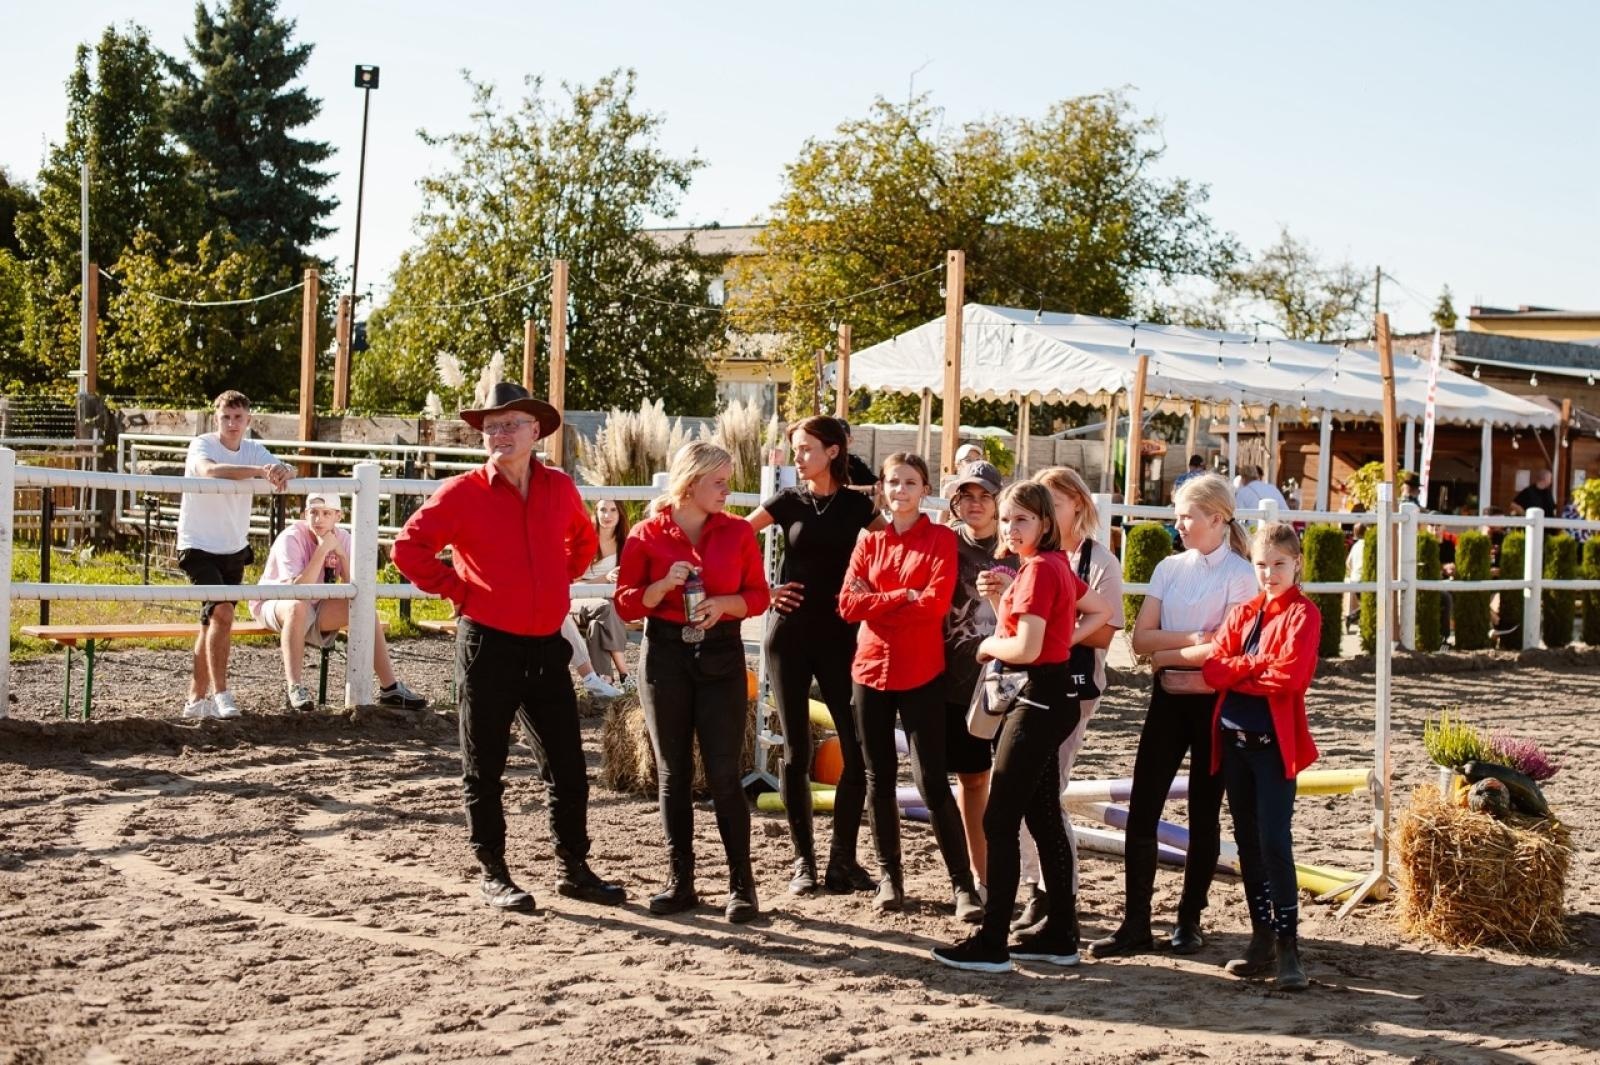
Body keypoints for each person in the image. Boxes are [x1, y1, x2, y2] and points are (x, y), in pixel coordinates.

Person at [392, 382, 625, 914]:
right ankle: (493, 873)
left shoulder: (559, 487)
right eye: (491, 427)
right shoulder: (461, 492)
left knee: (568, 766)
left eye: (510, 424)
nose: (499, 434)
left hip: (546, 645)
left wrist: (557, 579)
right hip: (488, 645)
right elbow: (408, 548)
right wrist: (458, 590)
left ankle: (574, 868)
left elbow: (583, 541)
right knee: (485, 764)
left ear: (535, 431)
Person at [931, 481, 1113, 973]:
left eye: (1022, 520)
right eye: (1008, 519)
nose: (1011, 528)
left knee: (1000, 820)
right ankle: (1061, 934)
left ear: (1045, 524)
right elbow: (1100, 610)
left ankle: (993, 942)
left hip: (1035, 698)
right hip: (1052, 695)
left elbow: (1025, 648)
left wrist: (987, 647)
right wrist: (1061, 638)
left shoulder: (1037, 570)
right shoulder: (1054, 565)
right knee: (1042, 814)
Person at [1090, 473, 1257, 959]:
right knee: (1144, 805)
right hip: (1167, 699)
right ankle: (1135, 922)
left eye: (1187, 516)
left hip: (1214, 704)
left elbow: (1225, 649)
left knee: (1204, 811)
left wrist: (1168, 652)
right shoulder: (1168, 567)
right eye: (1177, 515)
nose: (1178, 524)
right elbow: (1140, 640)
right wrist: (1192, 641)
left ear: (1217, 518)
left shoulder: (1240, 575)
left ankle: (1190, 918)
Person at [614, 441, 771, 922]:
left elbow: (758, 596)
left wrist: (723, 605)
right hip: (664, 655)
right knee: (673, 772)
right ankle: (679, 881)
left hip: (723, 655)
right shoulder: (646, 533)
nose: (728, 491)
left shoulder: (737, 532)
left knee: (724, 773)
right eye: (719, 482)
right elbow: (625, 602)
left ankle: (741, 885)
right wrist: (661, 587)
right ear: (690, 482)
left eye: (728, 481)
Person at [839, 453, 981, 921]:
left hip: (921, 672)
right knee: (878, 779)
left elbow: (935, 605)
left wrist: (878, 601)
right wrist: (902, 596)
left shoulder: (940, 540)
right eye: (893, 482)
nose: (900, 490)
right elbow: (847, 605)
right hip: (870, 671)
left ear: (925, 490)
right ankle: (890, 879)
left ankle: (963, 886)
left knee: (932, 781)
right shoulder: (869, 541)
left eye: (910, 482)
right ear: (882, 487)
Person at [747, 416, 881, 896]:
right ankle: (802, 860)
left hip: (843, 636)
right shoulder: (787, 500)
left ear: (833, 451)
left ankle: (842, 861)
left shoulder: (859, 506)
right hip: (789, 635)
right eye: (795, 449)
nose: (798, 458)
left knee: (856, 749)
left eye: (806, 449)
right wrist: (764, 590)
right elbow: (736, 538)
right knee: (797, 750)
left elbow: (897, 548)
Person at [1202, 521, 1320, 992]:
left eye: (1279, 564)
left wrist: (1239, 672)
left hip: (1272, 747)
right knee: (1247, 842)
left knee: (1274, 840)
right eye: (1261, 565)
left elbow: (1291, 678)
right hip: (1234, 743)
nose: (1269, 574)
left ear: (1296, 564)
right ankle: (1261, 936)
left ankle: (1289, 945)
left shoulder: (1303, 615)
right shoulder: (1244, 612)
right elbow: (1213, 671)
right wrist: (1254, 666)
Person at [1012, 466, 1124, 933]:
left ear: (1078, 504)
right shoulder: (1031, 554)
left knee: (1046, 788)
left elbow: (1106, 630)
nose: (1045, 513)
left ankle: (1057, 894)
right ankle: (1038, 887)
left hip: (1072, 686)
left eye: (1053, 504)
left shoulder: (1098, 561)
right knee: (1023, 788)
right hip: (1026, 682)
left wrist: (1053, 635)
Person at [250, 492, 426, 712]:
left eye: (326, 513)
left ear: (338, 516)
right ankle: (295, 687)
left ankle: (390, 688)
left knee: (364, 610)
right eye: (313, 513)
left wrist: (342, 555)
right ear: (305, 515)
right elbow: (297, 590)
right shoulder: (291, 537)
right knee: (297, 606)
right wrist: (323, 549)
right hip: (277, 602)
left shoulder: (343, 538)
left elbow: (357, 589)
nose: (318, 519)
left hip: (316, 605)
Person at [176, 390, 290, 720]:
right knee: (223, 613)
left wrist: (283, 471)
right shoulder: (202, 444)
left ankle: (195, 700)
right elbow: (209, 471)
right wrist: (259, 471)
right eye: (226, 417)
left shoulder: (253, 449)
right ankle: (222, 694)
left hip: (233, 548)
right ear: (216, 418)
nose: (231, 423)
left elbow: (284, 468)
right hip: (198, 546)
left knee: (214, 622)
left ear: (248, 420)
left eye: (238, 417)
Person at [940, 460, 1013, 897]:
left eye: (985, 495)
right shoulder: (944, 543)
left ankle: (1018, 877)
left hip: (1010, 682)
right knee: (971, 778)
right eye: (967, 495)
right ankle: (982, 874)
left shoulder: (1016, 547)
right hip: (955, 681)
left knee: (1011, 783)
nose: (976, 504)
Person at [562, 497, 632, 697]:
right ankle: (625, 673)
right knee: (605, 606)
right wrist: (605, 578)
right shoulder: (585, 540)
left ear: (620, 514)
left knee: (598, 624)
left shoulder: (625, 544)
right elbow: (570, 584)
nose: (607, 515)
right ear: (595, 513)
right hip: (576, 602)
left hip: (608, 606)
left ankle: (603, 681)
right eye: (602, 510)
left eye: (613, 510)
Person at [837, 419, 879, 489]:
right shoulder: (823, 462)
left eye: (841, 437)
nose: (837, 441)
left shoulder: (855, 462)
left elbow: (875, 483)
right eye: (834, 437)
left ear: (850, 440)